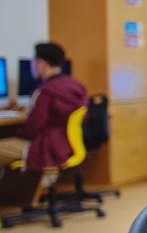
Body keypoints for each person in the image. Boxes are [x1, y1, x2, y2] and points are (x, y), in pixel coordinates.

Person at [0, 42, 87, 170]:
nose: (32, 66)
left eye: (33, 62)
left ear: (42, 63)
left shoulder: (46, 92)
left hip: (46, 148)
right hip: (66, 145)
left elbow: (32, 128)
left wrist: (17, 132)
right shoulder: (76, 86)